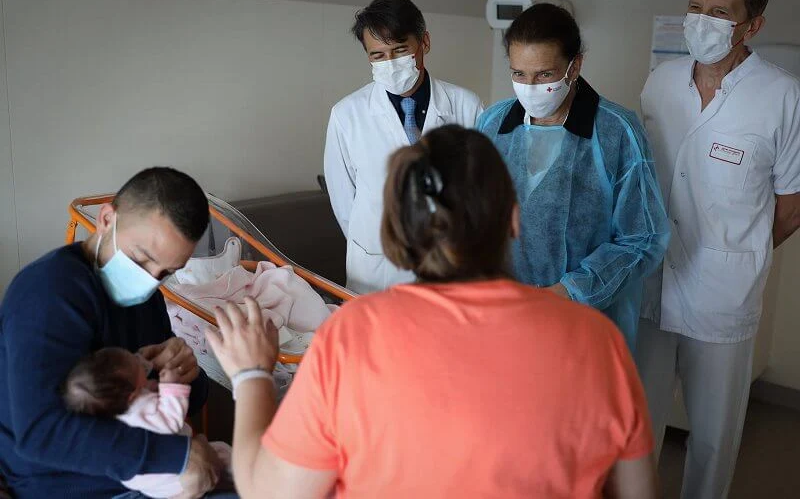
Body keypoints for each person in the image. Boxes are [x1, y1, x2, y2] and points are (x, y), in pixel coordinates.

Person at [207, 125, 659, 498]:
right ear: (515, 219)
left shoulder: (351, 336)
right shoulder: (596, 340)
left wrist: (251, 377)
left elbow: (271, 493)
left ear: (400, 229)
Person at [637, 0, 800, 497]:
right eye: (695, 7)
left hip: (723, 298)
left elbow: (791, 207)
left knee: (712, 438)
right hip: (651, 283)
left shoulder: (782, 95)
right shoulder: (660, 82)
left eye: (720, 12)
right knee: (640, 430)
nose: (701, 21)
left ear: (751, 25)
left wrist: (738, 256)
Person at [0, 167, 231, 498]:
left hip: (145, 473)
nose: (151, 279)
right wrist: (178, 457)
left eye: (166, 272)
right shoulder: (50, 293)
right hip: (75, 485)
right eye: (141, 260)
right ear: (106, 219)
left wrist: (186, 374)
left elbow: (176, 403)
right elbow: (43, 433)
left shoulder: (146, 297)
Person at [476, 3, 670, 350]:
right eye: (518, 74)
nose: (530, 87)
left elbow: (641, 238)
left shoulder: (615, 132)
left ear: (574, 66)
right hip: (503, 315)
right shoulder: (493, 124)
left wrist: (568, 291)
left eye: (544, 75)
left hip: (584, 325)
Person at [324, 0, 483, 294]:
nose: (390, 64)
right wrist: (372, 240)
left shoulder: (466, 106)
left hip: (447, 264)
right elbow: (344, 200)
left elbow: (479, 191)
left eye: (399, 50)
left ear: (424, 42)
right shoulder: (347, 114)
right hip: (375, 269)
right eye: (378, 56)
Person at [62, 347, 234, 498]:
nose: (141, 364)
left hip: (154, 488)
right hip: (176, 480)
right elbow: (170, 421)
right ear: (133, 395)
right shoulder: (145, 408)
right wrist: (171, 386)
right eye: (138, 368)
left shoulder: (109, 416)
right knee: (224, 452)